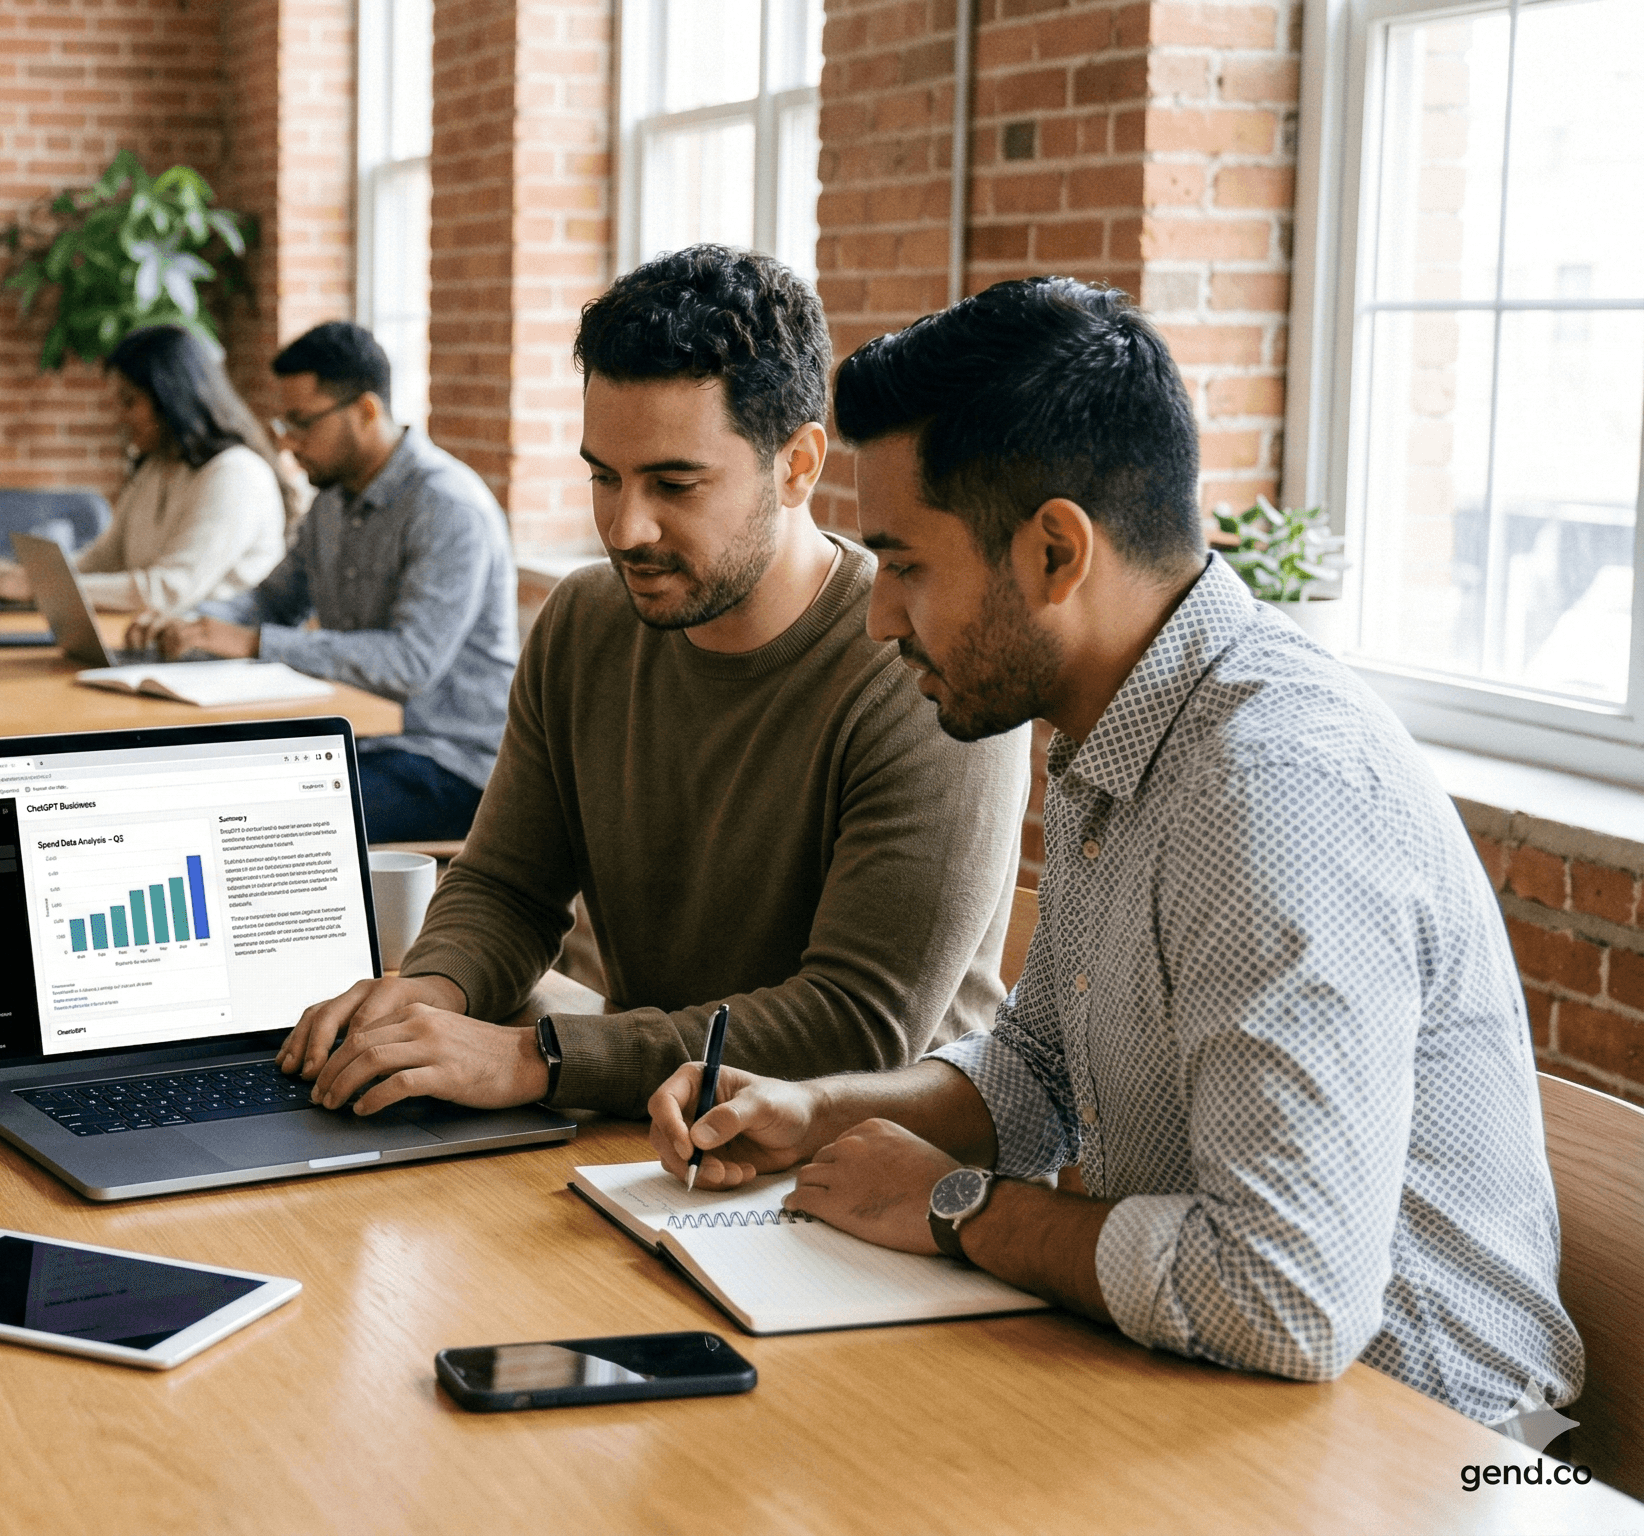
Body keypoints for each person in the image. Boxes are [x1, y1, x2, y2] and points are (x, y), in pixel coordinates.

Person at [653, 276, 1583, 1433]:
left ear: (1053, 551)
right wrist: (822, 1112)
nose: (878, 618)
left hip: (1424, 1449)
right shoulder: (1122, 728)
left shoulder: (1269, 793)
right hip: (1228, 1397)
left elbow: (1282, 1299)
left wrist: (952, 1207)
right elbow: (1041, 1072)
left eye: (903, 565)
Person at [279, 245, 1031, 1120]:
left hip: (862, 1171)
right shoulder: (584, 619)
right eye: (605, 477)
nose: (626, 527)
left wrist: (539, 1059)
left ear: (798, 466)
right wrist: (432, 995)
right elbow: (505, 886)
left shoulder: (917, 667)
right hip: (650, 1138)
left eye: (675, 484)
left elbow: (855, 1025)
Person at [130, 321, 515, 841]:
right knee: (189, 783)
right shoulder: (330, 503)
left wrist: (252, 643)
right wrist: (193, 626)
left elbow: (410, 664)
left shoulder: (447, 507)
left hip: (449, 763)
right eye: (282, 424)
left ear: (366, 411)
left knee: (259, 826)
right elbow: (269, 601)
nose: (287, 445)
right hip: (352, 741)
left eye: (302, 423)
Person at [0, 323, 296, 613]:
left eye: (130, 401)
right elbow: (105, 558)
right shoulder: (157, 466)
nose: (120, 415)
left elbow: (168, 591)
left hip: (214, 669)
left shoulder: (235, 475)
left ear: (170, 399)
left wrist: (37, 586)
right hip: (153, 644)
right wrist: (17, 575)